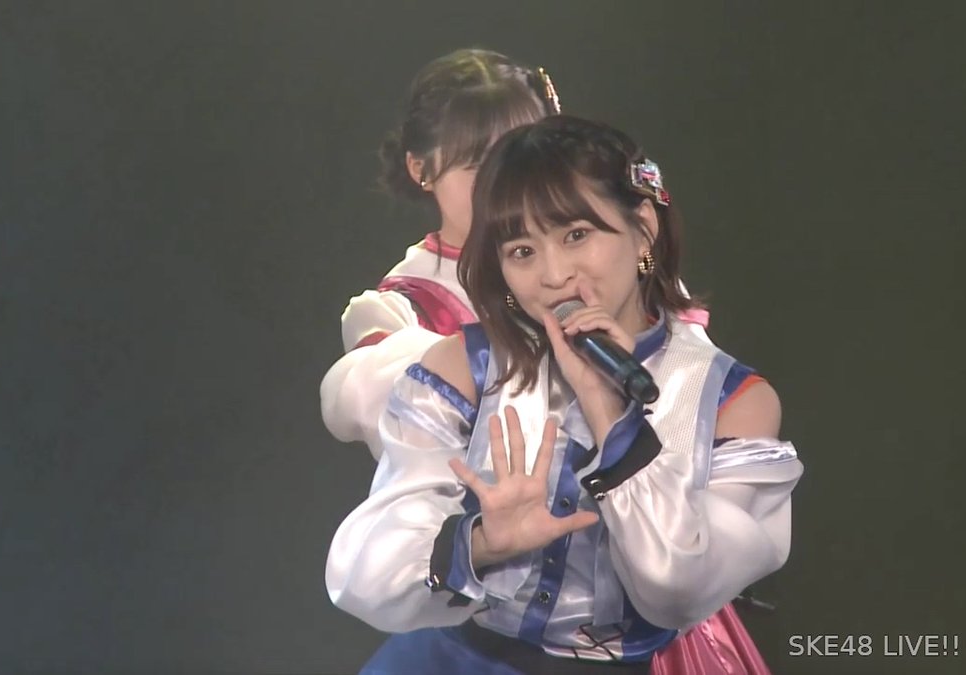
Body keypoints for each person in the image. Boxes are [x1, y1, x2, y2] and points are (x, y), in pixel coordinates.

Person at [325, 115, 802, 673]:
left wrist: (608, 412)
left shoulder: (729, 398)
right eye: (522, 251)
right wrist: (480, 544)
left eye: (576, 236)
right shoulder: (466, 366)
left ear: (643, 227)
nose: (553, 276)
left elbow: (676, 589)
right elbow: (363, 573)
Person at [320, 48, 561, 460]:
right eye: (477, 164)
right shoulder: (404, 308)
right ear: (421, 169)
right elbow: (371, 407)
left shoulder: (588, 260)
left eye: (520, 159)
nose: (503, 182)